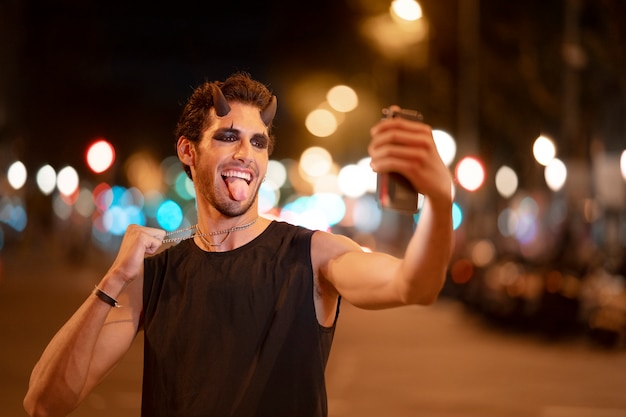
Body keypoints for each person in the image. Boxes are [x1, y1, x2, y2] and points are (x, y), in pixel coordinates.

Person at [23, 72, 454, 417]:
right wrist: (114, 279)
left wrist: (438, 198)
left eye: (258, 142)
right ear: (188, 151)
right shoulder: (152, 277)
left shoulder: (314, 255)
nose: (246, 154)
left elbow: (413, 285)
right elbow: (45, 403)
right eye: (228, 137)